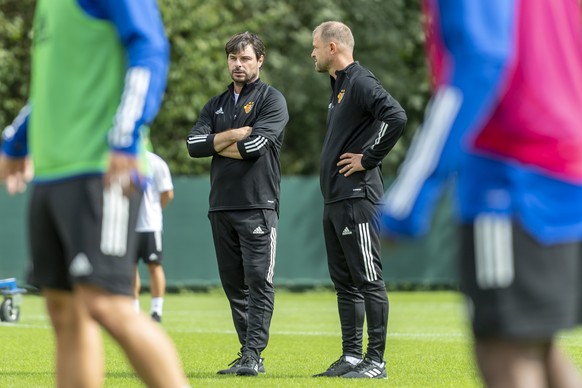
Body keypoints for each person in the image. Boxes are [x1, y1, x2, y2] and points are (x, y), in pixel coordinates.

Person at [380, 0, 582, 387]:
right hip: (561, 167)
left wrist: (412, 195)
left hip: (511, 181)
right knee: (539, 346)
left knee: (505, 353)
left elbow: (482, 58)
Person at [0, 1, 189, 387]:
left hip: (101, 169)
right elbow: (57, 82)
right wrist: (15, 143)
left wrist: (125, 134)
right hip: (53, 173)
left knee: (107, 304)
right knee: (64, 311)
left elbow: (149, 46)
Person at [186, 31, 289, 376]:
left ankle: (253, 354)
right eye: (233, 58)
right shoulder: (215, 104)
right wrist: (231, 134)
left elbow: (254, 148)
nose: (238, 64)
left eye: (245, 58)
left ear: (260, 60)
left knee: (258, 280)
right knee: (234, 285)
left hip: (258, 204)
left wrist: (215, 144)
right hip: (221, 206)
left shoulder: (272, 100)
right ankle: (247, 353)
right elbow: (193, 145)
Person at [310, 21, 407, 379]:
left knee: (368, 277)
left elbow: (396, 116)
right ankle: (351, 357)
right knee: (345, 282)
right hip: (335, 200)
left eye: (316, 47)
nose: (313, 53)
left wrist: (368, 158)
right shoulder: (339, 87)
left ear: (332, 47)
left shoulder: (361, 81)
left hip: (357, 198)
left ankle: (375, 362)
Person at [133, 150, 174, 323]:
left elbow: (167, 193)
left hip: (150, 224)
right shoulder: (120, 158)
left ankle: (156, 311)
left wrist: (155, 211)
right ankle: (133, 309)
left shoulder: (156, 162)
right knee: (129, 267)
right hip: (127, 225)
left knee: (154, 264)